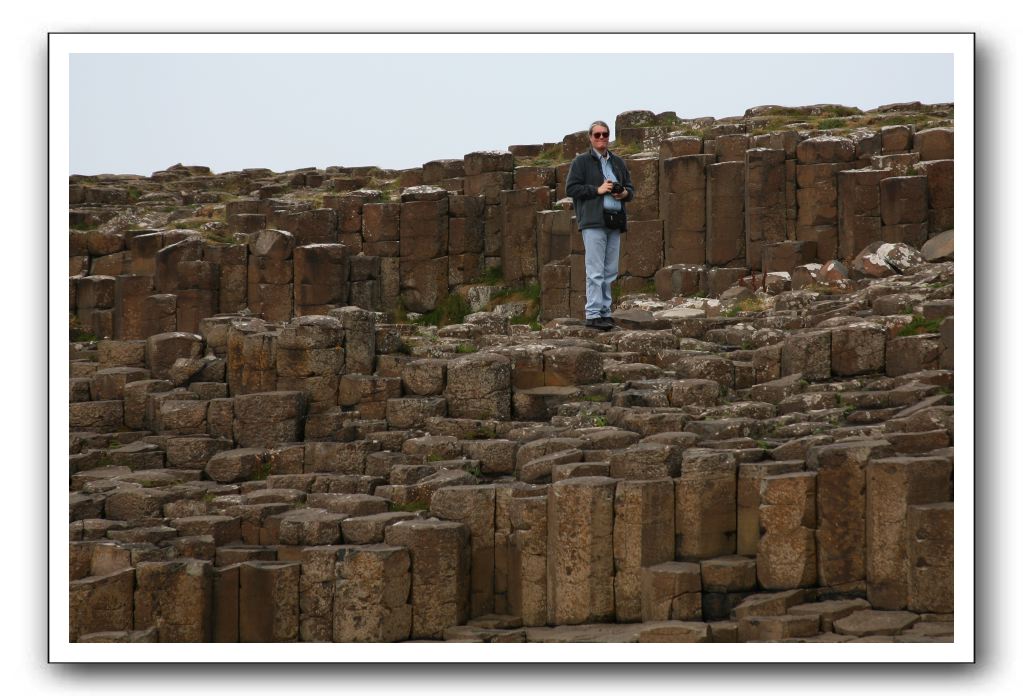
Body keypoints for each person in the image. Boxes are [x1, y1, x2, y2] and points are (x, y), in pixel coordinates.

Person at [565, 120, 634, 331]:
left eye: (605, 134)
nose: (601, 138)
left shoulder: (618, 163)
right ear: (590, 137)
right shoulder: (581, 163)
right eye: (597, 135)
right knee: (595, 271)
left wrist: (623, 193)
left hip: (615, 221)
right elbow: (571, 189)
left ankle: (605, 312)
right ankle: (593, 314)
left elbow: (631, 189)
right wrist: (598, 190)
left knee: (610, 271)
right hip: (593, 221)